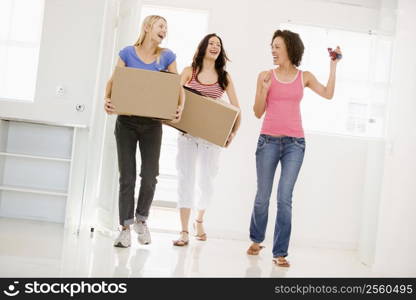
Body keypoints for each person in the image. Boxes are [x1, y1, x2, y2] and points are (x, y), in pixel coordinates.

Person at [247, 29, 342, 267]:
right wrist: (264, 89)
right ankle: (257, 239)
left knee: (284, 199)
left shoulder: (304, 76)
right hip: (267, 141)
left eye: (277, 47)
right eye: (272, 47)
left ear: (290, 48)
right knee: (262, 197)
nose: (273, 51)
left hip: (295, 145)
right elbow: (258, 112)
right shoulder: (265, 75)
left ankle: (280, 252)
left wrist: (333, 66)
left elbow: (328, 94)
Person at [104, 15, 184, 248]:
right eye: (161, 26)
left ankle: (141, 219)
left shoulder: (167, 56)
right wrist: (106, 100)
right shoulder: (127, 53)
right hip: (126, 123)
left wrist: (180, 108)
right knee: (127, 177)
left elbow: (176, 88)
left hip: (152, 125)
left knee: (149, 176)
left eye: (166, 28)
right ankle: (125, 228)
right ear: (148, 27)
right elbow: (113, 81)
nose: (164, 31)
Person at [172, 33, 241, 246]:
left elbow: (237, 110)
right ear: (203, 47)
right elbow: (171, 97)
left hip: (211, 138)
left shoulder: (224, 77)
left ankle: (199, 220)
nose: (214, 46)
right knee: (186, 179)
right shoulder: (188, 72)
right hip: (187, 135)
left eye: (218, 44)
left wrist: (232, 134)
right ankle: (184, 231)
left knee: (206, 182)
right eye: (210, 43)